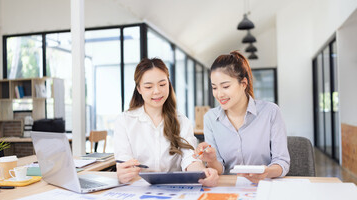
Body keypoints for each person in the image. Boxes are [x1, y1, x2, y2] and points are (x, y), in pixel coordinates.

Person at [114, 57, 218, 187]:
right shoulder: (124, 121)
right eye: (148, 86)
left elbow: (189, 158)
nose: (157, 91)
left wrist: (203, 172)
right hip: (138, 190)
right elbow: (124, 162)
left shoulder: (182, 121)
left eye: (162, 84)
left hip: (174, 190)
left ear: (169, 84)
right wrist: (123, 173)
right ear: (139, 89)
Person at [194, 51, 290, 183]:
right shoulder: (210, 118)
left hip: (265, 185)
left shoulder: (271, 112)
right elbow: (220, 168)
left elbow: (282, 162)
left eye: (226, 86)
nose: (219, 94)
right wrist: (212, 160)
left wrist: (266, 172)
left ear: (243, 84)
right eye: (214, 88)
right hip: (228, 188)